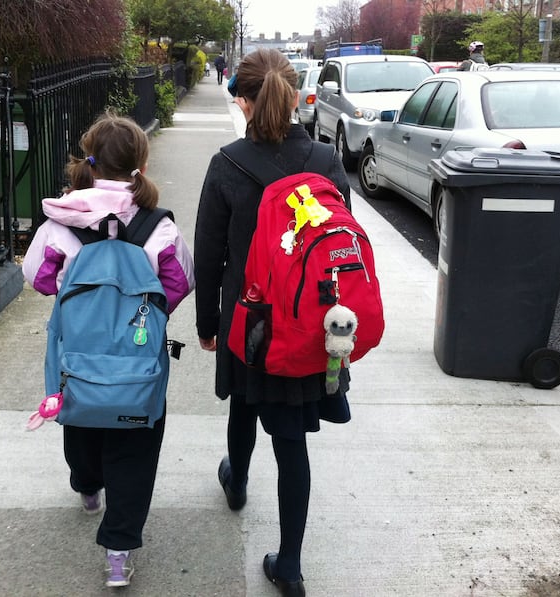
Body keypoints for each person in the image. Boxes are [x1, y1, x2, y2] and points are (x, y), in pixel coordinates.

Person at [194, 48, 353, 597]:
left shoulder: (226, 164)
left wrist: (208, 321)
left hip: (248, 318)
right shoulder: (327, 162)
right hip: (307, 324)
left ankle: (235, 480)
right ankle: (289, 564)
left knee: (243, 402)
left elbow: (209, 252)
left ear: (244, 99)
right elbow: (342, 247)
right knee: (291, 441)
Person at [22, 111, 195, 589]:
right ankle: (118, 552)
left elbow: (37, 277)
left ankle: (86, 485)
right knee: (136, 450)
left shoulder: (62, 220)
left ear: (90, 162)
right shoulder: (157, 226)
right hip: (137, 361)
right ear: (139, 163)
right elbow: (178, 282)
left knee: (80, 423)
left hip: (77, 357)